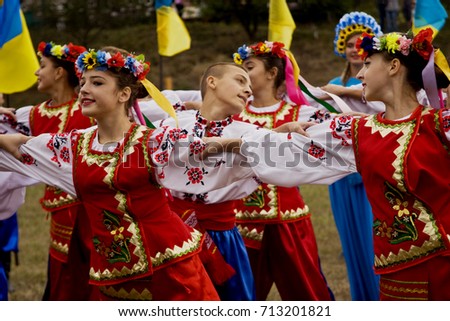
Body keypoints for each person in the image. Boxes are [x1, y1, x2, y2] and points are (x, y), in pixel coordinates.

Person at [0, 47, 256, 300]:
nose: (85, 90)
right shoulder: (73, 145)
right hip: (112, 277)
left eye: (97, 82)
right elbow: (17, 145)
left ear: (124, 94)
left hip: (170, 272)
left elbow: (200, 149)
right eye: (83, 82)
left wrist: (240, 143)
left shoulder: (152, 142)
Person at [234, 28, 450, 300]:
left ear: (394, 66)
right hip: (394, 274)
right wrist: (213, 145)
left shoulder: (440, 125)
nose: (359, 73)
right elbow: (280, 152)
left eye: (368, 64)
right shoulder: (354, 131)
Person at [231, 40, 335, 301]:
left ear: (272, 73)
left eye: (250, 67)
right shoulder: (233, 116)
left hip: (288, 218)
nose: (243, 74)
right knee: (239, 296)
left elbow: (342, 129)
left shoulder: (301, 113)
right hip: (241, 220)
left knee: (308, 293)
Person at [0, 41, 99, 300]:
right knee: (63, 284)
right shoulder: (32, 115)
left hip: (94, 213)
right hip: (61, 219)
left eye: (42, 66)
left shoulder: (92, 109)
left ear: (59, 73)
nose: (36, 72)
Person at [158, 62, 258, 300]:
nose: (248, 90)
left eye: (250, 85)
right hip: (175, 234)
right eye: (240, 81)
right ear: (212, 82)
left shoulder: (249, 132)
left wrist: (281, 132)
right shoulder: (172, 125)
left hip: (223, 238)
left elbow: (295, 151)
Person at [326, 12, 382, 301]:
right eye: (350, 43)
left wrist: (341, 92)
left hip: (372, 170)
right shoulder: (333, 83)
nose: (355, 49)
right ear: (341, 47)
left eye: (362, 43)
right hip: (341, 175)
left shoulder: (380, 84)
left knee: (374, 242)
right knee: (352, 244)